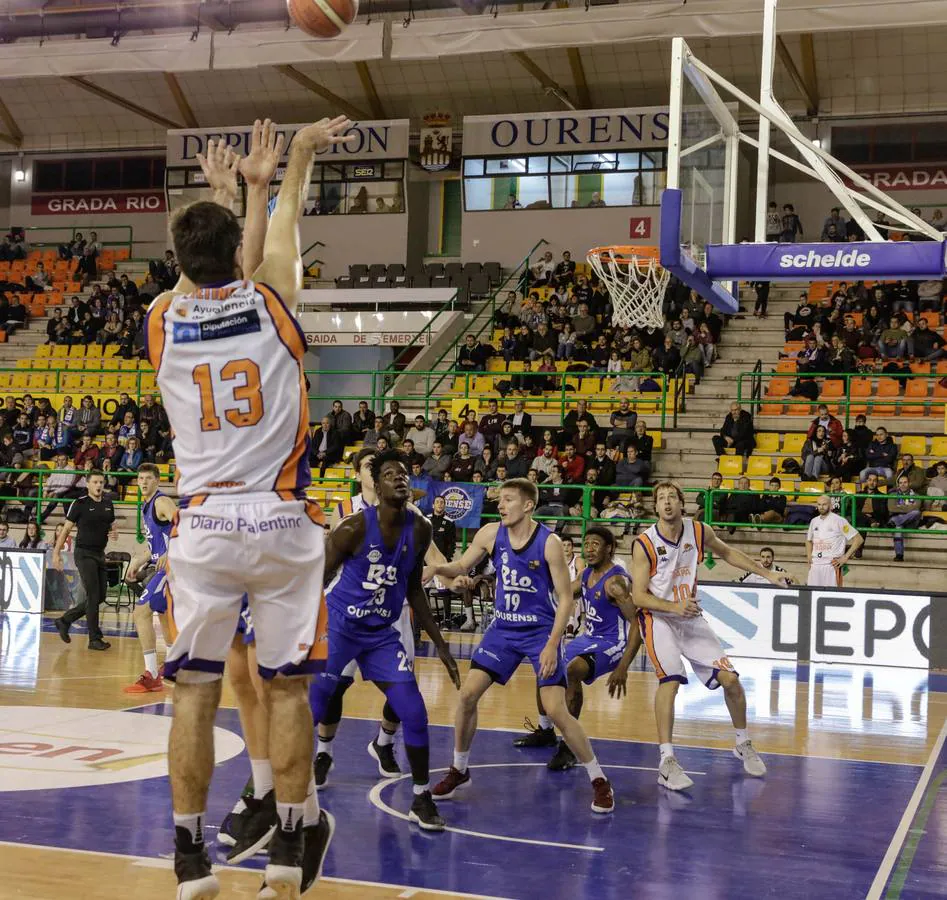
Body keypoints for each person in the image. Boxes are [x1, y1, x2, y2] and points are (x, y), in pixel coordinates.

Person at [146, 118, 350, 898]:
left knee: (194, 692)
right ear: (239, 254)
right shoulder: (271, 304)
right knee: (289, 686)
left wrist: (227, 195)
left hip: (200, 525)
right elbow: (265, 252)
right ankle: (294, 841)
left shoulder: (163, 319)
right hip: (279, 520)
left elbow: (208, 266)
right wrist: (269, 181)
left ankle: (189, 853)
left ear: (179, 263)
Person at [431, 478, 616, 814]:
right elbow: (460, 567)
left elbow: (564, 598)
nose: (501, 505)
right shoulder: (490, 533)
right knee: (467, 694)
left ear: (528, 505)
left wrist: (552, 643)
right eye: (499, 500)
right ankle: (460, 769)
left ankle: (599, 779)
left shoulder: (549, 543)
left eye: (508, 500)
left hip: (540, 632)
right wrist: (439, 570)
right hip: (502, 628)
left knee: (557, 710)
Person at [308, 450, 460, 830]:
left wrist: (441, 645)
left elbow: (413, 588)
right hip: (340, 627)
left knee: (413, 711)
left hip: (380, 635)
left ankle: (421, 798)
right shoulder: (352, 527)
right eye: (390, 473)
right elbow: (318, 580)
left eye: (404, 473)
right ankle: (266, 793)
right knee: (313, 706)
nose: (400, 478)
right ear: (376, 485)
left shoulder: (420, 529)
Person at [632, 482, 785, 791]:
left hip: (689, 616)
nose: (667, 503)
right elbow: (637, 596)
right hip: (658, 617)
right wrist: (673, 606)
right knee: (670, 680)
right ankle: (666, 760)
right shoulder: (644, 543)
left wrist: (769, 574)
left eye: (672, 497)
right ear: (655, 507)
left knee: (731, 681)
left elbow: (727, 552)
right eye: (660, 498)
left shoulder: (698, 531)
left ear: (681, 503)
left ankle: (742, 742)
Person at [545, 528, 643, 771]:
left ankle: (569, 747)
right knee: (546, 663)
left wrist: (623, 667)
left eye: (595, 544)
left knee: (573, 670)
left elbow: (638, 626)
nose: (589, 548)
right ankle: (544, 729)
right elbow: (564, 591)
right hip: (590, 637)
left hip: (614, 642)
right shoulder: (587, 572)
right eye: (586, 544)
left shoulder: (616, 583)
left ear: (609, 548)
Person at [122, 464, 176, 693]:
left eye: (147, 478)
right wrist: (139, 560)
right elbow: (155, 543)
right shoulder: (146, 505)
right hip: (161, 565)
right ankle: (173, 666)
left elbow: (187, 528)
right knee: (163, 615)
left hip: (173, 567)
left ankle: (152, 675)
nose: (143, 482)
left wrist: (169, 551)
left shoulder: (162, 502)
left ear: (157, 480)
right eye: (140, 478)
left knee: (141, 612)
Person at [52, 470, 118, 651]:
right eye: (95, 482)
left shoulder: (108, 503)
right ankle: (94, 639)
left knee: (101, 596)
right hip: (84, 553)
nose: (98, 485)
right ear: (88, 484)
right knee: (93, 595)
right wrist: (55, 554)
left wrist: (114, 532)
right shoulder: (79, 504)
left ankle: (65, 620)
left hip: (100, 553)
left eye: (101, 482)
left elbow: (112, 525)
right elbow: (65, 530)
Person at [806, 494, 864, 586]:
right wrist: (809, 556)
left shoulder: (839, 520)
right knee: (813, 595)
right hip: (815, 564)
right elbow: (809, 540)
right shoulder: (814, 521)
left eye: (824, 504)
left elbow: (858, 539)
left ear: (831, 505)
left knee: (832, 596)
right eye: (819, 504)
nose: (821, 507)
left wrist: (845, 557)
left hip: (831, 564)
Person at [888, 474, 921, 562]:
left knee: (916, 512)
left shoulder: (916, 495)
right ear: (898, 484)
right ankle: (899, 555)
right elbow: (891, 508)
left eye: (905, 482)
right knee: (898, 527)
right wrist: (908, 507)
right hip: (897, 518)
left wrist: (899, 507)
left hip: (911, 523)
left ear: (909, 483)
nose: (903, 484)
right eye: (900, 483)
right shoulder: (893, 495)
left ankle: (896, 521)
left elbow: (916, 508)